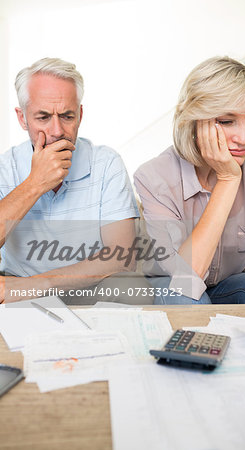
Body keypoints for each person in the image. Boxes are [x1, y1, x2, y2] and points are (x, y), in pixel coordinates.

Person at [134, 56, 245, 305]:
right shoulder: (153, 177)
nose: (243, 138)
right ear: (193, 122)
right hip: (173, 283)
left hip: (229, 283)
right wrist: (228, 179)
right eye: (226, 121)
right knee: (189, 302)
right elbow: (187, 277)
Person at [0, 57, 153, 305]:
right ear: (22, 118)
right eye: (43, 117)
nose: (57, 131)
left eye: (67, 116)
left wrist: (39, 284)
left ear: (80, 115)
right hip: (18, 289)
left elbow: (121, 256)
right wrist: (35, 183)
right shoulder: (5, 168)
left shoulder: (106, 163)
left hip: (89, 287)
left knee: (132, 288)